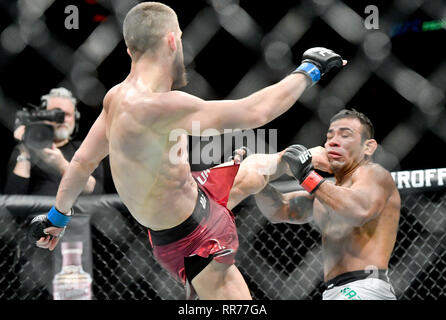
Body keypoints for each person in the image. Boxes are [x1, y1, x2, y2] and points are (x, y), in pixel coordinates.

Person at [29, 2, 345, 300]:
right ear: (171, 41)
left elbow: (83, 161)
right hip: (193, 240)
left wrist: (58, 216)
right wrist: (310, 68)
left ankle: (294, 162)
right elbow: (256, 112)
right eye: (180, 38)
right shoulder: (162, 106)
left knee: (256, 171)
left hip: (196, 196)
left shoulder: (115, 99)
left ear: (129, 49)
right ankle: (314, 186)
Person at [254, 109, 400, 300]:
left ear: (368, 147)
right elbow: (279, 209)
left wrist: (306, 176)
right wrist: (255, 179)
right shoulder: (326, 193)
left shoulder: (376, 176)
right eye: (329, 136)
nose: (333, 141)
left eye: (345, 135)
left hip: (365, 288)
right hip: (334, 291)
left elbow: (358, 210)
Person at [4, 88, 104, 195]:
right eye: (57, 114)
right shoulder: (25, 150)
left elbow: (93, 190)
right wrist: (25, 152)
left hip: (77, 211)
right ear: (43, 116)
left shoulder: (86, 149)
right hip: (37, 211)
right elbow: (13, 197)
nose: (63, 119)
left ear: (75, 119)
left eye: (68, 115)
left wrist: (61, 164)